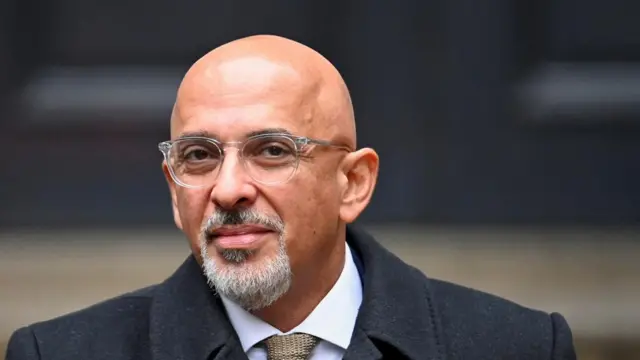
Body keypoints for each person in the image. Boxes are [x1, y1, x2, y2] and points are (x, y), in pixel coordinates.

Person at [5, 35, 576, 360]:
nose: (227, 189)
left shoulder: (516, 348)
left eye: (272, 151)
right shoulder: (59, 355)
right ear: (173, 189)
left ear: (353, 183)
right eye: (199, 156)